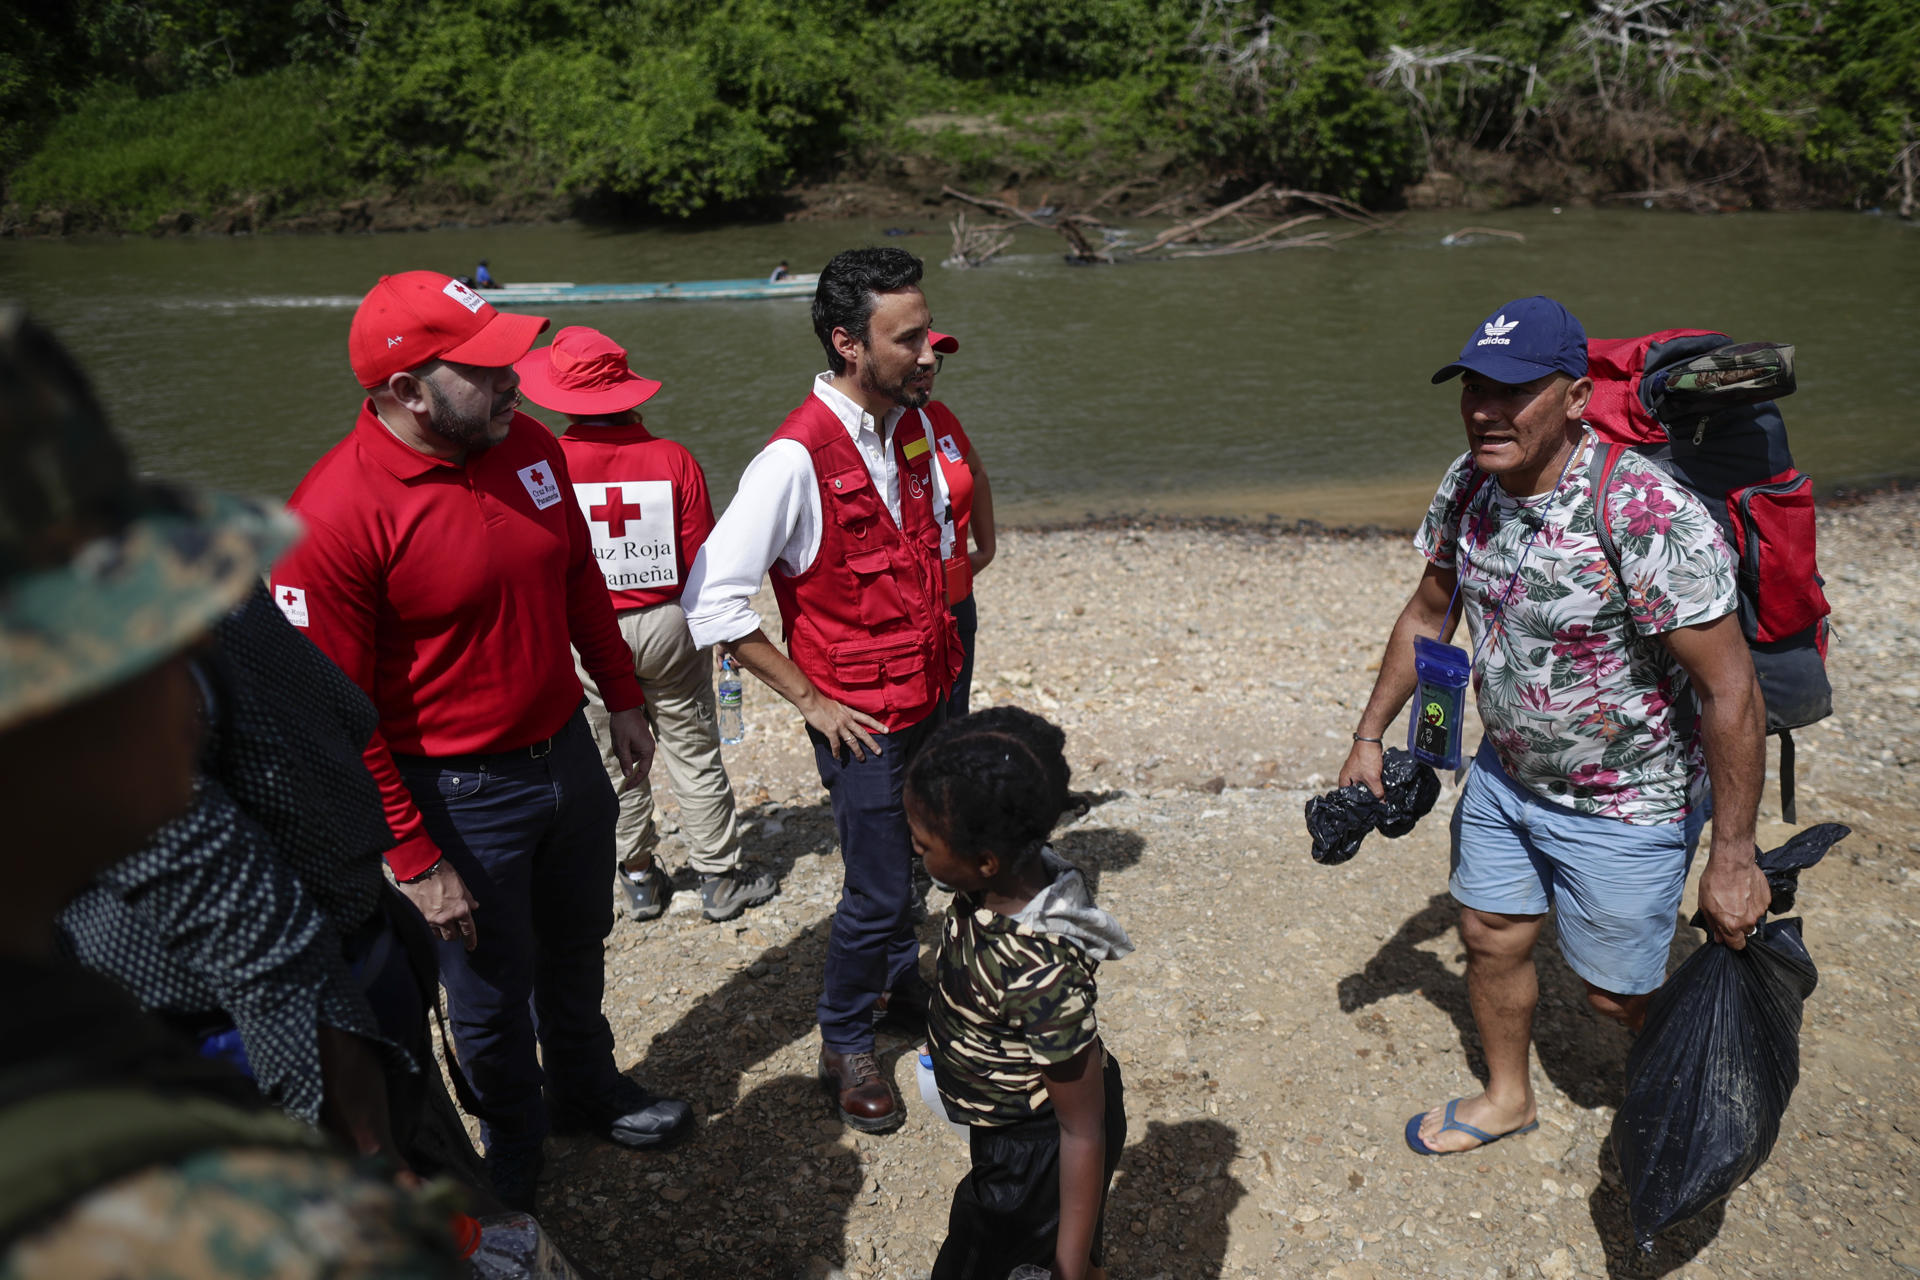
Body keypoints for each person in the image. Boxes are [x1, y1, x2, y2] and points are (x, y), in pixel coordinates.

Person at [0, 306, 460, 1276]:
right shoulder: (194, 1209)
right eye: (150, 632)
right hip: (263, 1029)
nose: (193, 657)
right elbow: (252, 929)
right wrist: (363, 1157)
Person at [272, 271, 690, 1211]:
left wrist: (621, 695)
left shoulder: (526, 442)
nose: (517, 380)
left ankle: (588, 1089)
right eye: (488, 367)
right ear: (405, 392)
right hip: (454, 794)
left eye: (512, 359)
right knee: (489, 992)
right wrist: (414, 857)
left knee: (580, 940)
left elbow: (577, 571)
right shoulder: (332, 517)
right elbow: (334, 716)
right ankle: (513, 1146)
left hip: (565, 754)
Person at [1336, 295, 1771, 1157]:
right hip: (1504, 775)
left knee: (1614, 995)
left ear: (1576, 398)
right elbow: (1429, 615)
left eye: (1513, 390)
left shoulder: (1640, 512)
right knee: (1488, 935)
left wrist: (1733, 854)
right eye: (1472, 388)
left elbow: (1731, 693)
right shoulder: (1468, 484)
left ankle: (1693, 1087)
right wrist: (1368, 736)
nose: (1485, 410)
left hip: (1628, 797)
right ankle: (1507, 1096)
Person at [57, 581, 486, 1189]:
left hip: (290, 1019)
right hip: (326, 980)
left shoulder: (87, 645)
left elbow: (244, 924)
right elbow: (347, 708)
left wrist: (362, 1145)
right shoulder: (192, 566)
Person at [682, 246, 962, 1132]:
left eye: (927, 333)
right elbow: (711, 601)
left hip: (931, 694)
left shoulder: (904, 427)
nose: (930, 352)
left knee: (919, 867)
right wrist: (810, 700)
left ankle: (899, 985)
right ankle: (844, 1040)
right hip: (862, 720)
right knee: (876, 891)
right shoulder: (791, 460)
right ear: (848, 343)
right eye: (908, 338)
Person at [514, 325, 778, 923]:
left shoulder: (545, 461)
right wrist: (720, 633)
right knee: (692, 746)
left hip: (586, 631)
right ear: (630, 393)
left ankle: (637, 876)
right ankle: (717, 878)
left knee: (615, 754)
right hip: (667, 622)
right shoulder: (673, 458)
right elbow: (701, 559)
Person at [908, 707, 1130, 1280]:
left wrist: (1071, 1268)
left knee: (979, 1263)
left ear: (984, 860)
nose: (917, 853)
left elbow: (1083, 1129)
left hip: (1035, 1154)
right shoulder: (993, 883)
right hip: (1008, 1130)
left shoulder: (1040, 972)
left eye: (925, 845)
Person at [923, 329, 997, 716]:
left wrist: (986, 550)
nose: (927, 364)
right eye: (915, 349)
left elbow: (977, 472)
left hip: (957, 601)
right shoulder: (874, 432)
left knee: (955, 723)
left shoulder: (940, 416)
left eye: (934, 356)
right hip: (912, 618)